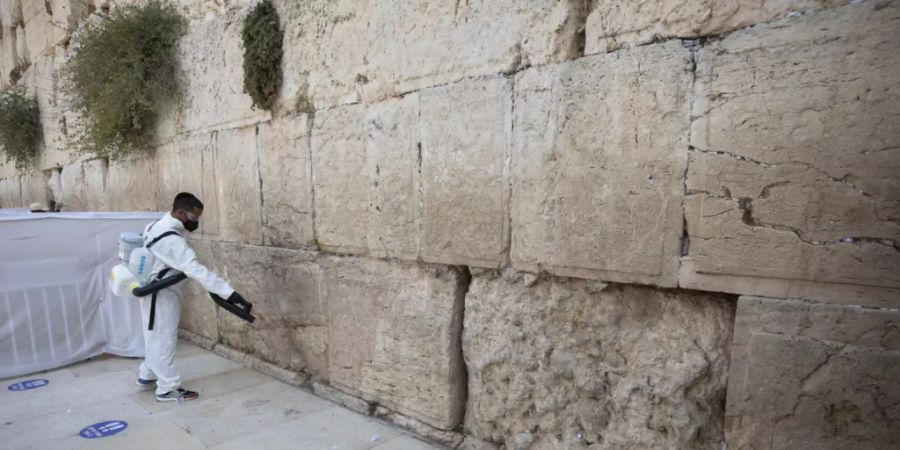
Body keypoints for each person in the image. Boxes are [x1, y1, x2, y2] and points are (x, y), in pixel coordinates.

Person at [136, 192, 236, 402]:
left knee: (152, 334)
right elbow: (194, 269)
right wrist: (228, 292)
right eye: (193, 217)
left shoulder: (155, 225)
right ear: (181, 213)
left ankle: (147, 374)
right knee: (164, 338)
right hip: (162, 294)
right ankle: (167, 388)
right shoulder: (172, 239)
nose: (196, 222)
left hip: (151, 290)